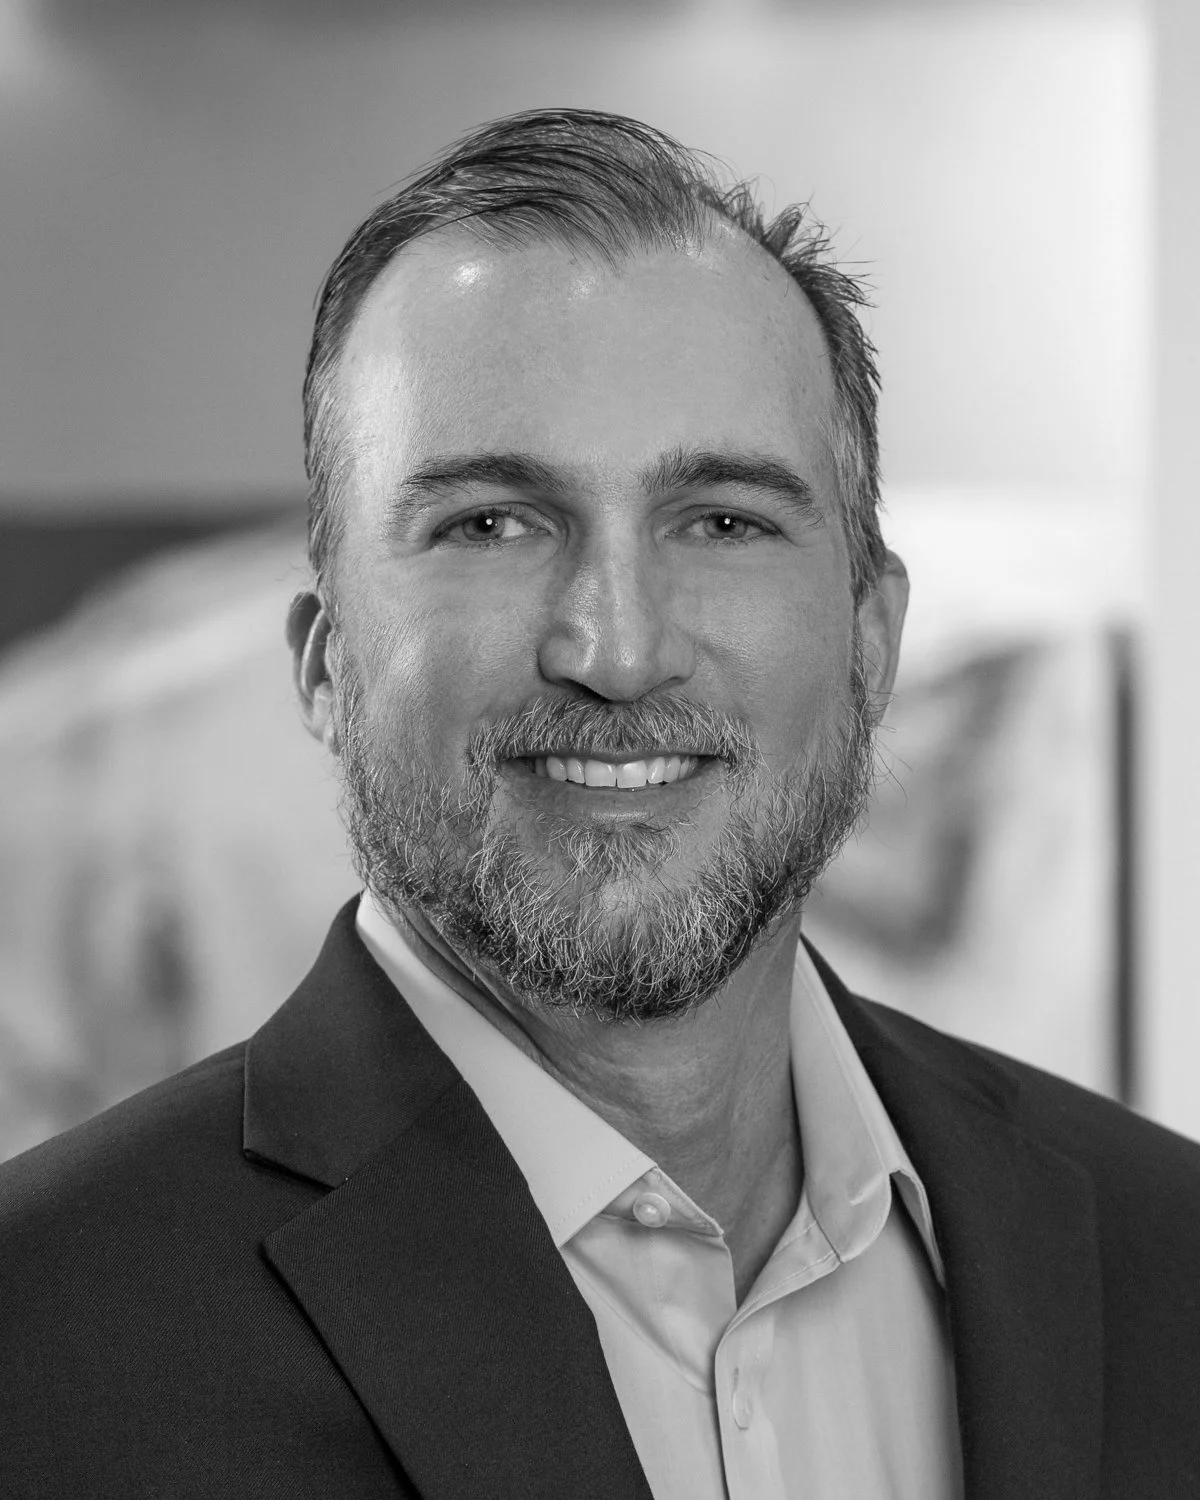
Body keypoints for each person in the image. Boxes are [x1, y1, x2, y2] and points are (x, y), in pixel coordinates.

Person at [0, 107, 1196, 1500]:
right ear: (325, 665)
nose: (615, 649)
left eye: (725, 522)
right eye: (491, 525)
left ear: (872, 640)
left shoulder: (1166, 1258)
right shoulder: (42, 1344)